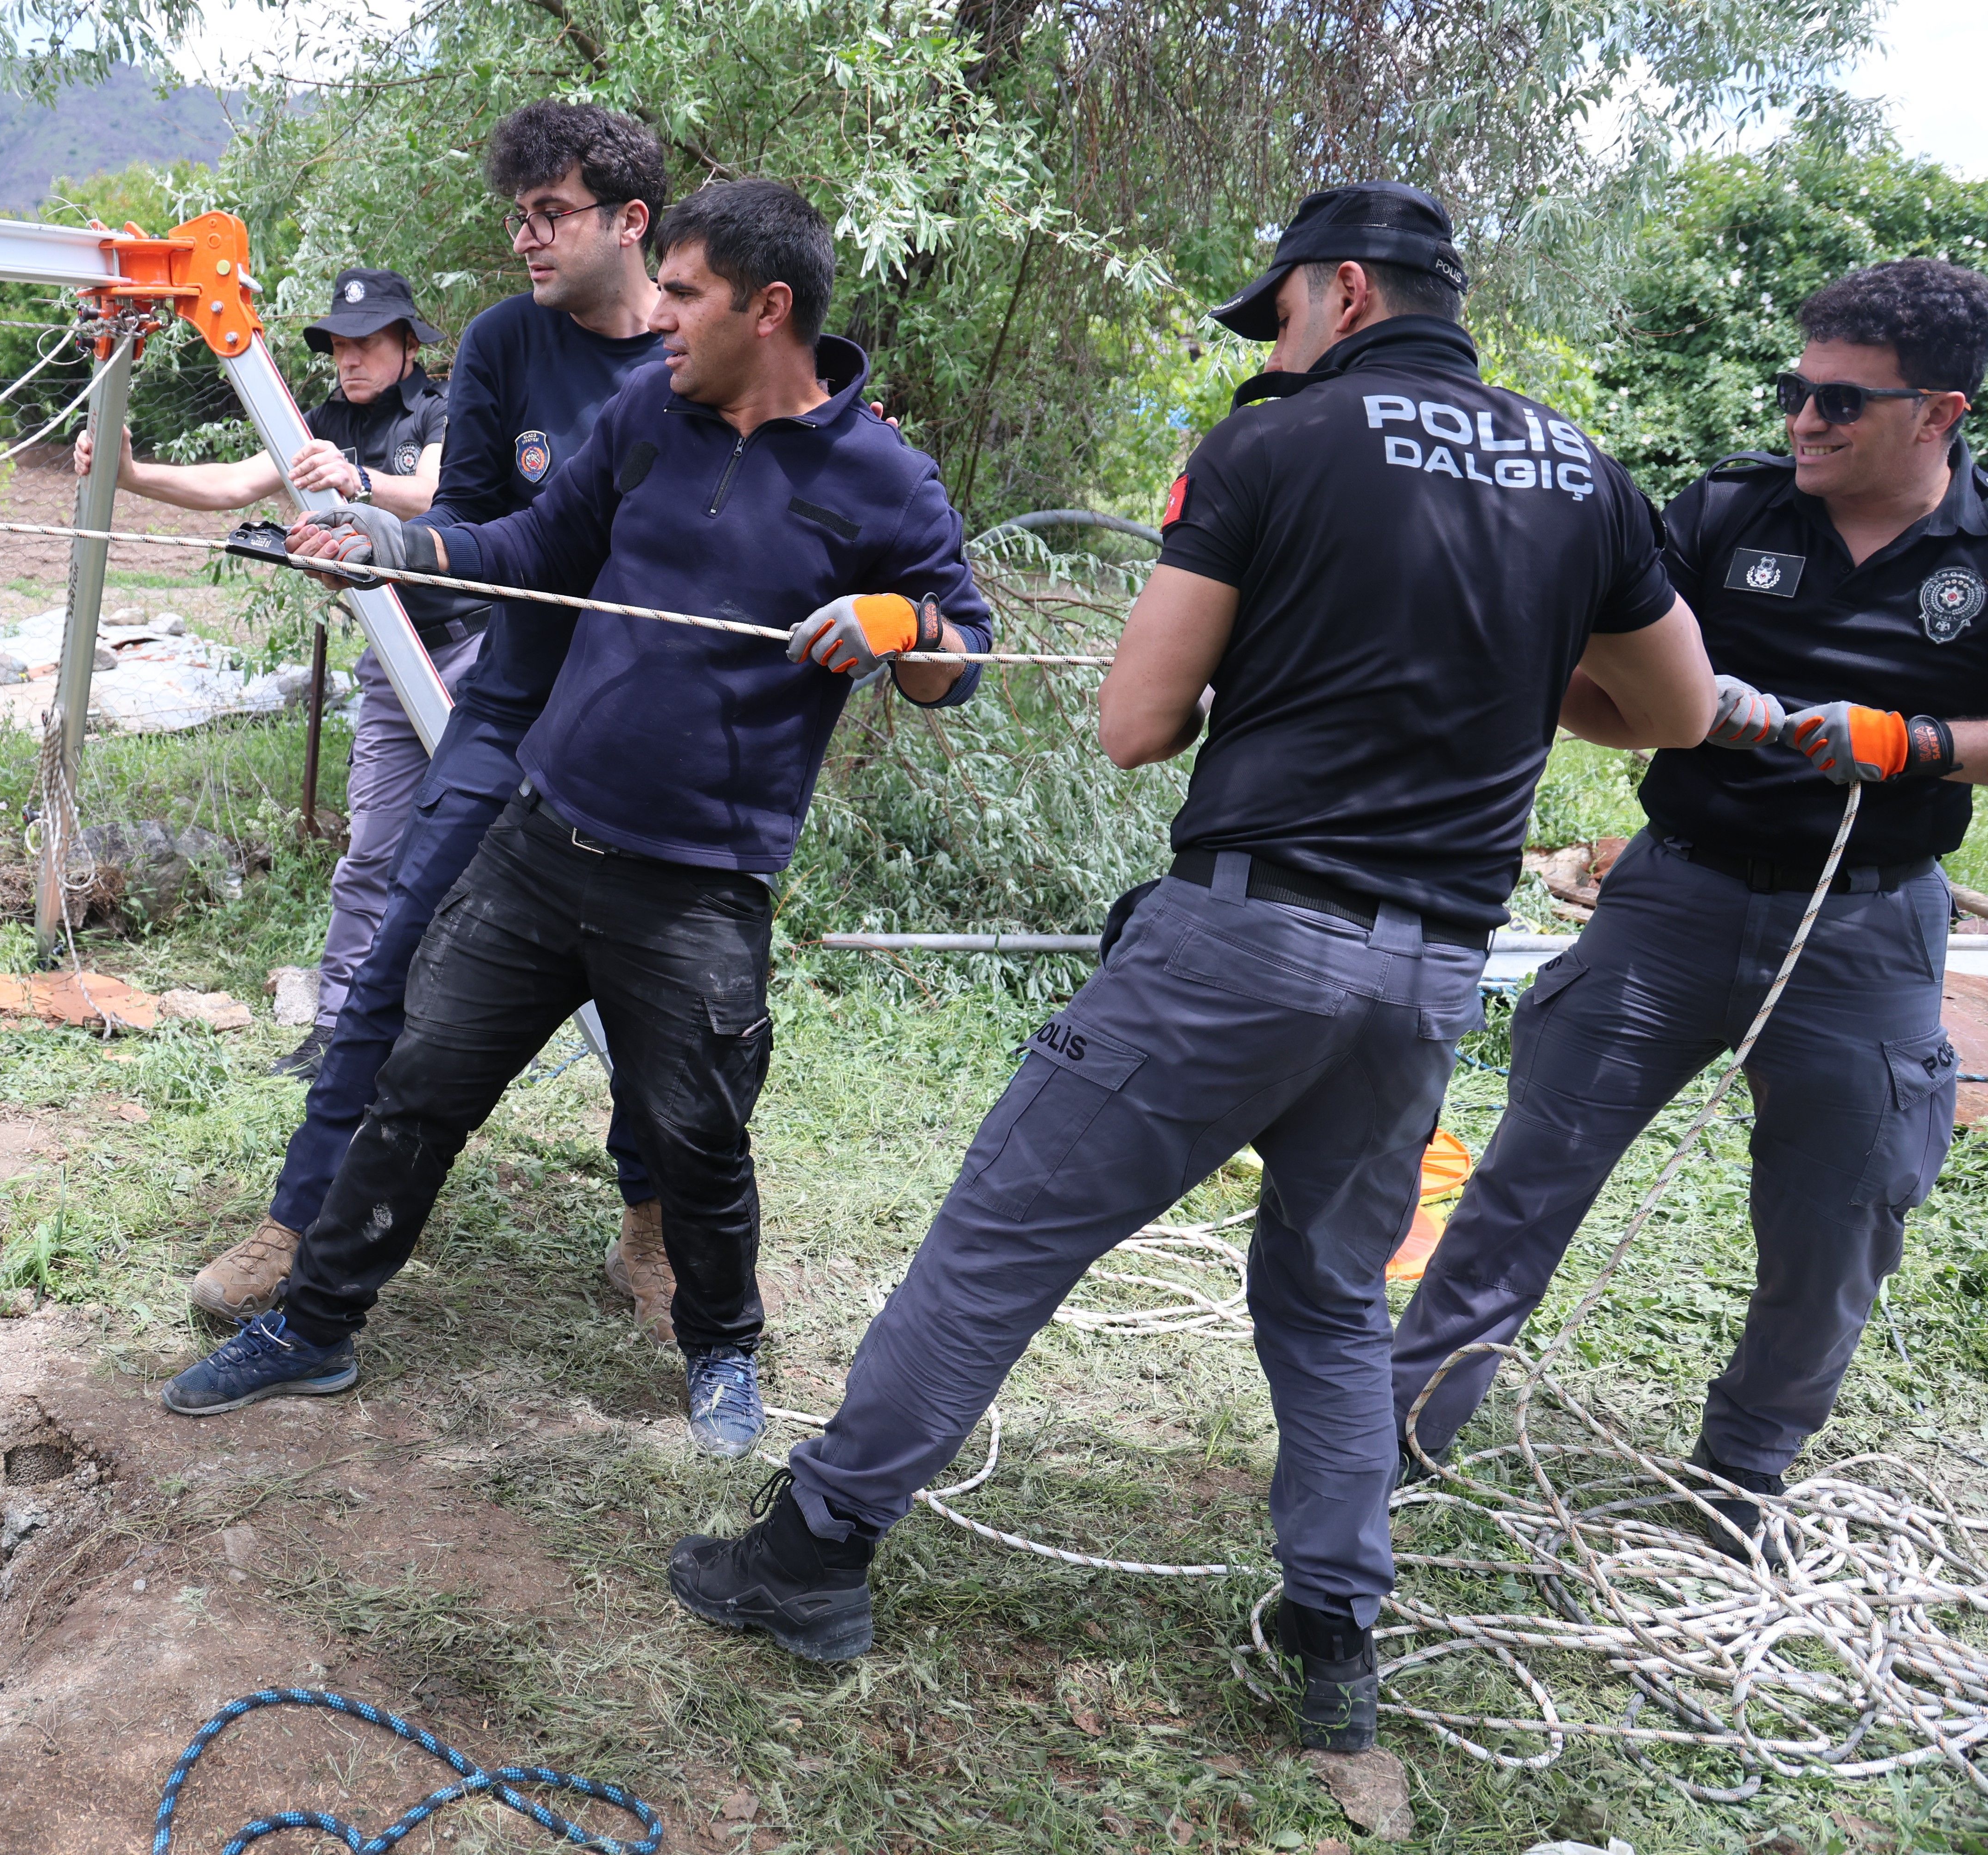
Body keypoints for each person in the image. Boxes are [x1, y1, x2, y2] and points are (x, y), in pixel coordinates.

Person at [660, 183, 1715, 1752]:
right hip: (1429, 969)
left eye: (1279, 316)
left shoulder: (1270, 448)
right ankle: (1336, 1632)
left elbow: (1137, 721)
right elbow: (1676, 714)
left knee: (1002, 1242)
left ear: (1345, 292)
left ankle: (813, 1554)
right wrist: (1483, 682)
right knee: (1331, 1296)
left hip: (1246, 936)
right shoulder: (1581, 471)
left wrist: (1282, 665)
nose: (1272, 352)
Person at [160, 179, 995, 1460]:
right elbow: (533, 549)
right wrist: (398, 551)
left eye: (687, 292)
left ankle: (722, 1356)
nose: (659, 313)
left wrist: (905, 628)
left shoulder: (884, 481)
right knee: (420, 1086)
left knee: (699, 1140)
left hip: (701, 886)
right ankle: (317, 1324)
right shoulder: (646, 418)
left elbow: (961, 666)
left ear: (769, 311)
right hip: (547, 837)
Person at [1392, 258, 1988, 1563]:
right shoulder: (1725, 511)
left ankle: (1742, 1475)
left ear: (1939, 414)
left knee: (1840, 1223)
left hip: (1869, 928)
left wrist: (1918, 742)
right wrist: (1633, 695)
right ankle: (1402, 1431)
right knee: (1527, 1179)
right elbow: (1598, 659)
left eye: (1843, 400)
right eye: (1797, 389)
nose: (1806, 420)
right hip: (1674, 898)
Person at [182, 102, 681, 1336]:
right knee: (399, 954)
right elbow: (466, 524)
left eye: (551, 215)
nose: (527, 239)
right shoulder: (512, 342)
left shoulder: (697, 348)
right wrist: (385, 546)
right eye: (518, 217)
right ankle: (300, 1220)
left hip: (654, 730)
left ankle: (655, 1235)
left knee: (660, 997)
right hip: (509, 705)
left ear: (631, 222)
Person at [71, 267, 488, 1077]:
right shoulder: (321, 423)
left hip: (477, 649)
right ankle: (338, 1033)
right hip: (392, 652)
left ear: (408, 344)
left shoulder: (444, 409)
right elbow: (235, 483)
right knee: (371, 851)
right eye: (338, 344)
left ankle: (470, 1030)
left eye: (367, 343)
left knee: (495, 849)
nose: (350, 358)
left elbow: (440, 491)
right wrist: (130, 474)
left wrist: (362, 482)